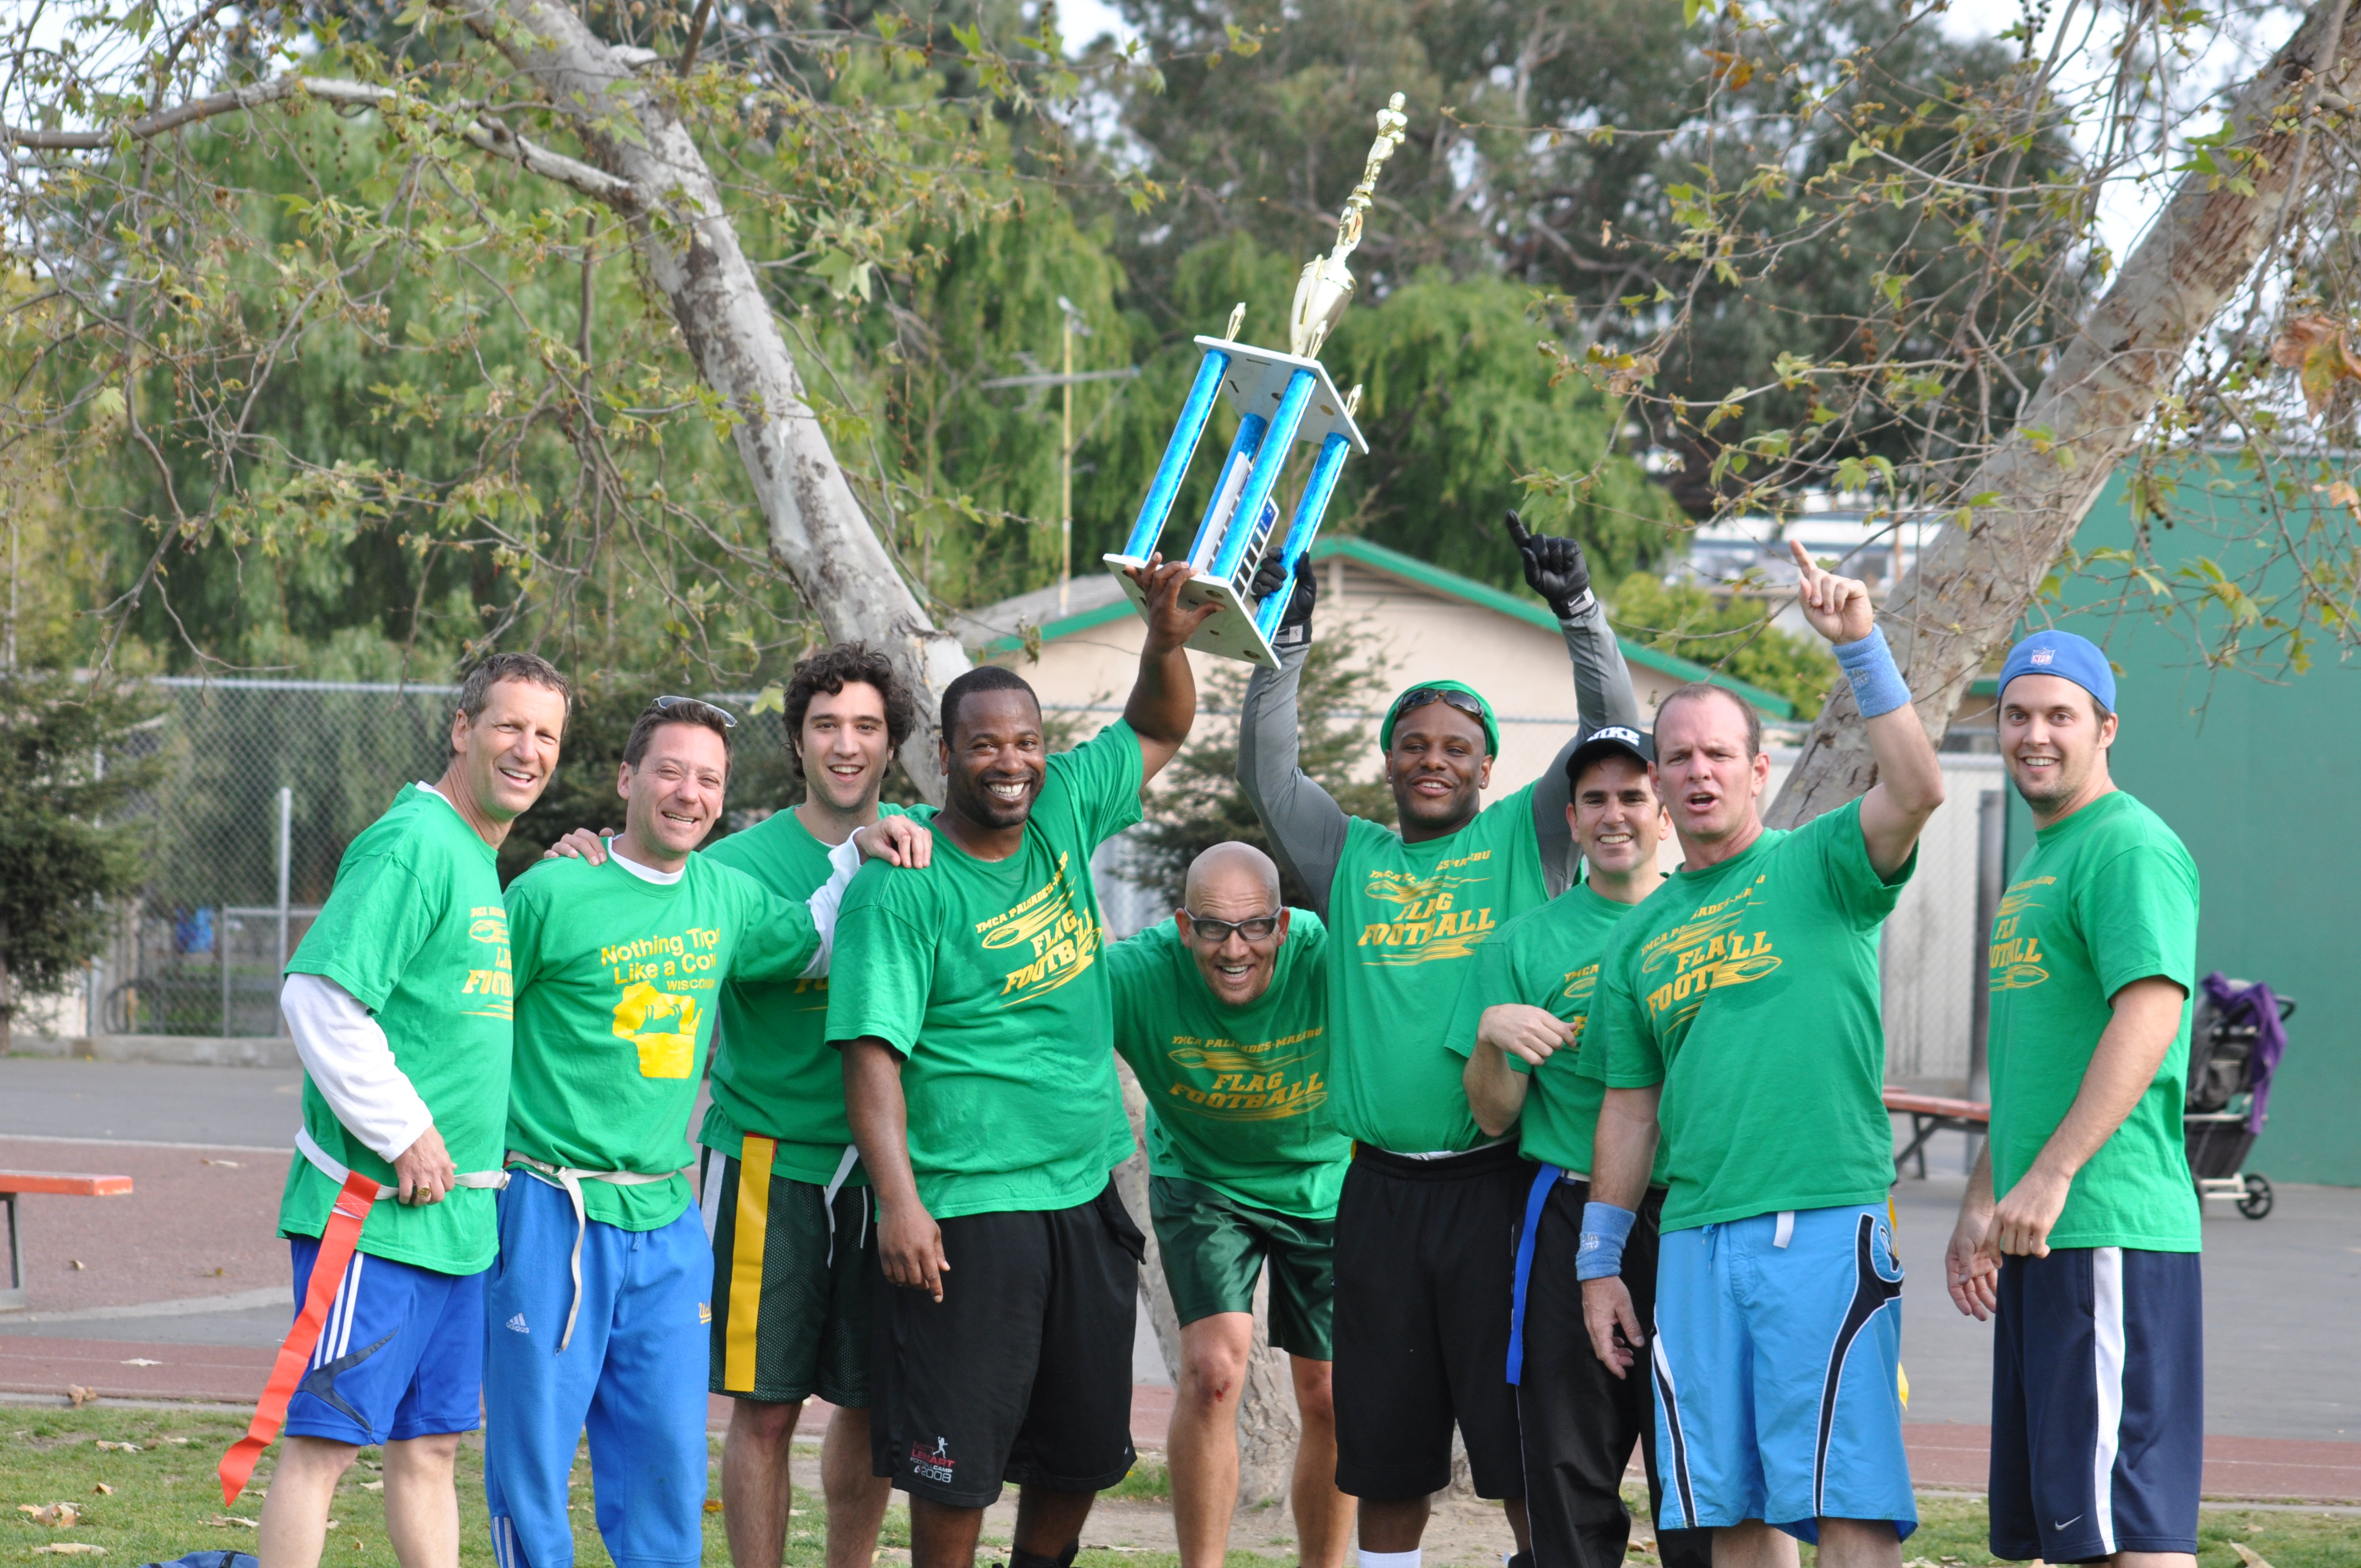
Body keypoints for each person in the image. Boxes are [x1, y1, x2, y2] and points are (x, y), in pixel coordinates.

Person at [1236, 514, 1640, 1568]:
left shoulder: (1526, 836)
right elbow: (1272, 776)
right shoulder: (1349, 855)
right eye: (1414, 745)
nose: (1433, 761)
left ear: (1489, 768)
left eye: (1457, 748)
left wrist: (1580, 616)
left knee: (1516, 1446)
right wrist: (1285, 644)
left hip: (1499, 1189)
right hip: (1375, 1195)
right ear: (1387, 761)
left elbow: (1615, 739)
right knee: (1386, 1451)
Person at [828, 558, 1215, 1568]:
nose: (1013, 762)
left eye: (1029, 742)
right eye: (986, 745)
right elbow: (870, 1058)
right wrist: (901, 1203)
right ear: (944, 756)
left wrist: (1166, 642)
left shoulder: (1062, 813)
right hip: (967, 1207)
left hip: (1086, 1188)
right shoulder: (902, 883)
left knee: (1080, 1456)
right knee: (953, 1470)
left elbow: (1159, 727)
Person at [485, 695, 929, 1568]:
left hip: (664, 1216)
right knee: (535, 1463)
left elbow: (811, 935)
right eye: (671, 772)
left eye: (709, 780)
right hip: (549, 1206)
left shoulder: (724, 896)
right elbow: (471, 1021)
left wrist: (868, 847)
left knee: (666, 1464)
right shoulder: (550, 890)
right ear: (627, 778)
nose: (689, 794)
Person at [1579, 541, 1945, 1567]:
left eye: (1717, 754)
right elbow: (1630, 1108)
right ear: (1656, 782)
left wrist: (1861, 647)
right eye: (1678, 757)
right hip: (1694, 1242)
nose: (1698, 771)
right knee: (1723, 1512)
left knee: (1846, 1505)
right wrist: (1600, 1263)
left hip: (1823, 1222)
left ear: (1758, 768)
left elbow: (1917, 790)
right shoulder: (1639, 939)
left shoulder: (1823, 861)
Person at [251, 652, 573, 1568]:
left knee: (430, 1448)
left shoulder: (476, 858)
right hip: (377, 1222)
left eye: (546, 735)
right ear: (462, 728)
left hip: (459, 1226)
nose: (529, 750)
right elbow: (318, 995)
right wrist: (404, 1131)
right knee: (322, 1448)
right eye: (510, 726)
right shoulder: (415, 842)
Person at [1943, 631, 2202, 1568]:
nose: (2034, 735)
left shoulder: (2126, 844)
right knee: (2078, 1529)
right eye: (2017, 716)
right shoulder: (2048, 855)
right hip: (2044, 1230)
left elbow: (2151, 1011)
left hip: (2105, 1223)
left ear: (2106, 729)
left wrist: (2053, 1173)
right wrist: (1983, 1197)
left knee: (2128, 1528)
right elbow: (2036, 1063)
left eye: (2060, 716)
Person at [1451, 726, 1710, 1568]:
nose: (1615, 815)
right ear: (1570, 816)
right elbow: (1494, 1119)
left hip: (1694, 1213)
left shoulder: (1710, 924)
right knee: (1568, 1464)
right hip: (1566, 1211)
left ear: (1664, 811)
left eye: (1634, 796)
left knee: (1696, 1462)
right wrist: (1492, 1039)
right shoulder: (1522, 944)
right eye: (1595, 799)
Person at [1105, 841, 1356, 1568]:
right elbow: (1030, 1004)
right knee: (1214, 1374)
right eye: (1214, 928)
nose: (1235, 949)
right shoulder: (1138, 975)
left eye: (1254, 928)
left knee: (1331, 1395)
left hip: (1323, 1181)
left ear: (1283, 924)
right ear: (1184, 928)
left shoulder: (1328, 960)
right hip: (1205, 1181)